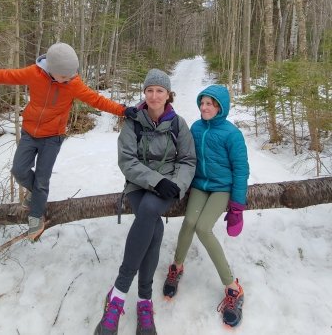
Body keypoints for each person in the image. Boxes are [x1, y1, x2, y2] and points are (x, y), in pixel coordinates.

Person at [0, 42, 137, 240]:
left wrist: (122, 109)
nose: (69, 79)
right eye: (64, 76)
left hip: (52, 137)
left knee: (42, 180)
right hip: (29, 133)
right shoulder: (34, 73)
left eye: (71, 75)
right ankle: (37, 194)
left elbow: (96, 100)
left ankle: (36, 215)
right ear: (52, 69)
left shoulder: (73, 83)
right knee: (18, 170)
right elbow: (5, 76)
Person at [94, 68, 196, 335]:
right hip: (139, 184)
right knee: (154, 223)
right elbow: (127, 161)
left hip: (169, 185)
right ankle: (143, 300)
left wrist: (177, 185)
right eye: (149, 90)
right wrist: (155, 180)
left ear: (168, 94)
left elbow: (188, 160)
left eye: (159, 91)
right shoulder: (133, 123)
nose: (153, 95)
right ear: (145, 93)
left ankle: (118, 294)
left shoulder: (178, 124)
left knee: (151, 212)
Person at [162, 84, 249, 328]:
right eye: (202, 103)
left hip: (222, 187)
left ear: (220, 107)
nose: (204, 107)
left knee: (203, 228)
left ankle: (233, 287)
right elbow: (186, 158)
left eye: (210, 104)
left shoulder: (232, 134)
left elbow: (241, 170)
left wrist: (237, 206)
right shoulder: (197, 128)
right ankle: (177, 266)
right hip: (199, 185)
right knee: (189, 222)